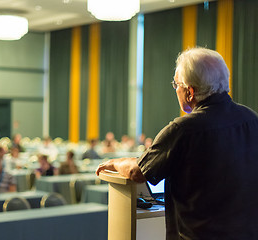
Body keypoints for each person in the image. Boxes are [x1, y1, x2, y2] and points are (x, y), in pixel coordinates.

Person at [96, 48, 258, 239]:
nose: (176, 90)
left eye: (176, 84)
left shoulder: (183, 129)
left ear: (190, 92)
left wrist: (116, 162)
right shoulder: (251, 118)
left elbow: (137, 171)